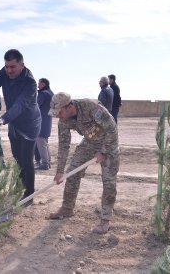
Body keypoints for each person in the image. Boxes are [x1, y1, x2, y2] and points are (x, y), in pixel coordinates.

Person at [47, 92, 119, 234]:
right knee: (72, 172)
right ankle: (67, 208)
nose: (57, 116)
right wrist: (60, 171)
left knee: (109, 181)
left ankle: (105, 219)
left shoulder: (91, 107)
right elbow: (63, 145)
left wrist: (104, 151)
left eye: (59, 112)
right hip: (89, 143)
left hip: (108, 143)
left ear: (68, 107)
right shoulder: (63, 121)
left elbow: (112, 128)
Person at [0, 49, 41, 204]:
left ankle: (30, 194)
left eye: (12, 67)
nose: (9, 70)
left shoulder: (30, 82)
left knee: (26, 160)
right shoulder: (5, 72)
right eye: (6, 66)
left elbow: (20, 105)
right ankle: (19, 185)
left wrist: (2, 119)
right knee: (17, 158)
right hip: (14, 123)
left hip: (29, 124)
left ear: (22, 65)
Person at [34, 78, 54, 170]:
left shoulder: (43, 94)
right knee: (44, 143)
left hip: (41, 122)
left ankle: (45, 163)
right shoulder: (50, 93)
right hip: (47, 121)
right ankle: (47, 162)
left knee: (41, 142)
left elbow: (36, 106)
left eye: (39, 83)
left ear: (43, 84)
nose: (38, 84)